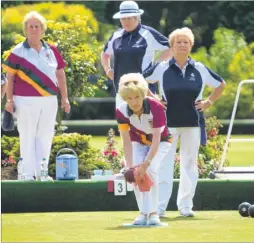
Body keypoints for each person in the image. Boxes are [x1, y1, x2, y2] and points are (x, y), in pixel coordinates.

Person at [143, 27, 226, 217]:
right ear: (171, 46)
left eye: (185, 42)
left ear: (190, 46)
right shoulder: (161, 66)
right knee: (164, 164)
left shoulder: (200, 68)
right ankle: (160, 207)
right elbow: (141, 79)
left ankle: (186, 206)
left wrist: (209, 102)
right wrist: (154, 98)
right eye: (178, 42)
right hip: (167, 123)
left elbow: (221, 84)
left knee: (189, 164)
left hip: (192, 123)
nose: (182, 44)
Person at [2, 11, 70, 181]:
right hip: (25, 100)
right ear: (26, 30)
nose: (33, 29)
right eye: (30, 26)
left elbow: (60, 74)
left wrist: (65, 98)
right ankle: (27, 174)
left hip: (49, 100)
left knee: (46, 136)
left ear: (42, 29)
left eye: (36, 26)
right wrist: (9, 100)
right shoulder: (18, 51)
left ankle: (42, 172)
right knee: (27, 135)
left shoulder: (51, 49)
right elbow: (9, 77)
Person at [116, 73, 172, 225]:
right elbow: (126, 141)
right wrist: (130, 167)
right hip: (138, 142)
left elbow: (156, 139)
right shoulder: (121, 111)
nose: (134, 102)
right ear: (124, 99)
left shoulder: (156, 107)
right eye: (129, 98)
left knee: (150, 169)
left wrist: (146, 163)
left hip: (161, 141)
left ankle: (154, 214)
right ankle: (143, 213)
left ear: (143, 94)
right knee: (136, 173)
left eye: (137, 97)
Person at [101, 0, 172, 108]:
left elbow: (172, 47)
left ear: (137, 18)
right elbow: (105, 53)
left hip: (145, 91)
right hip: (122, 91)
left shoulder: (148, 33)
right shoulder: (116, 35)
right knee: (123, 124)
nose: (126, 21)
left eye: (129, 18)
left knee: (147, 123)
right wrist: (107, 69)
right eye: (123, 18)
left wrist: (157, 64)